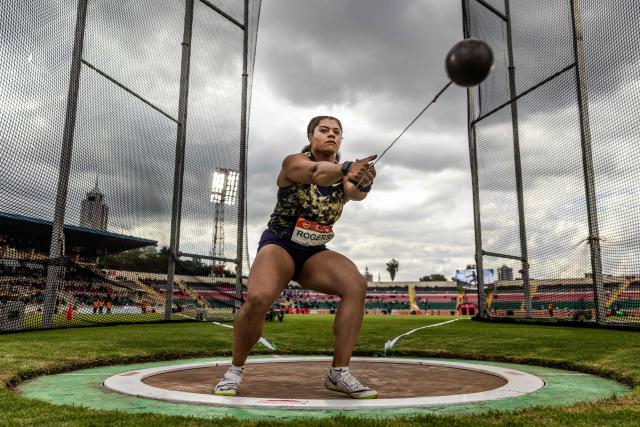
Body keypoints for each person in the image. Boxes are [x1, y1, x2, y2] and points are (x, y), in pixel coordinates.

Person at [214, 116, 378, 399]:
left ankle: (338, 374)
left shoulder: (343, 178)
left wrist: (363, 181)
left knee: (356, 285)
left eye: (337, 132)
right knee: (258, 299)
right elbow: (314, 172)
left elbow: (355, 193)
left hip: (314, 253)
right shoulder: (294, 162)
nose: (331, 135)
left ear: (341, 140)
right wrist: (348, 167)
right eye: (323, 130)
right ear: (310, 136)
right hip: (280, 245)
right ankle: (234, 370)